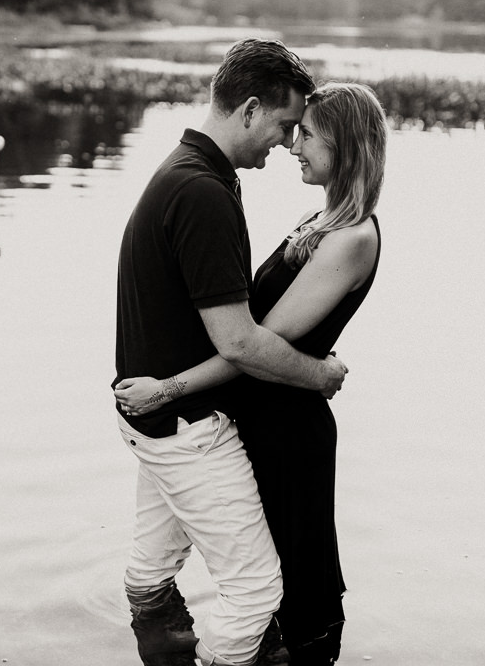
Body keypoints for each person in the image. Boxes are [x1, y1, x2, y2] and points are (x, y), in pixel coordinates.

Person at [116, 82, 388, 665]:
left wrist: (167, 388)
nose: (295, 144)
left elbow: (254, 343)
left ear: (346, 147)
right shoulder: (319, 219)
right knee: (262, 577)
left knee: (292, 586)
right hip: (259, 414)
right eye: (295, 130)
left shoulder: (352, 237)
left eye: (308, 135)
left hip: (290, 427)